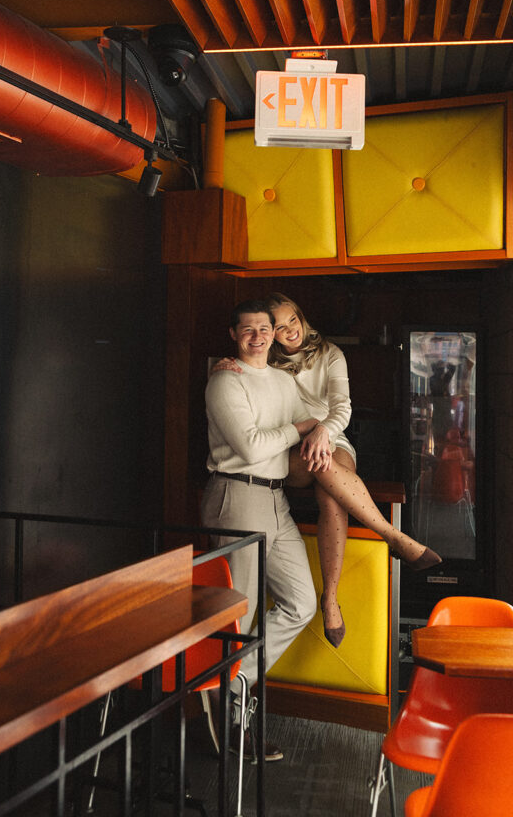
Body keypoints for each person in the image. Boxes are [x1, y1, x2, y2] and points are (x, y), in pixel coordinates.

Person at [214, 292, 441, 649]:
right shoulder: (263, 365)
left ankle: (329, 599)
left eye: (293, 321)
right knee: (320, 465)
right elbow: (244, 383)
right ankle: (390, 534)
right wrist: (222, 364)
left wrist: (322, 431)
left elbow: (342, 407)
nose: (288, 330)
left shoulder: (330, 354)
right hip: (290, 449)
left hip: (331, 436)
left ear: (302, 318)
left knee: (330, 486)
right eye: (278, 326)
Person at [201, 298, 319, 762]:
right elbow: (250, 447)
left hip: (275, 498)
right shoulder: (224, 380)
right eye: (247, 329)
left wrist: (320, 429)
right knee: (241, 615)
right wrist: (299, 426)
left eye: (264, 329)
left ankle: (226, 685)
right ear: (233, 334)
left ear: (274, 333)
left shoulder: (284, 381)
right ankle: (235, 723)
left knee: (302, 602)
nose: (257, 336)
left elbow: (321, 413)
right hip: (236, 493)